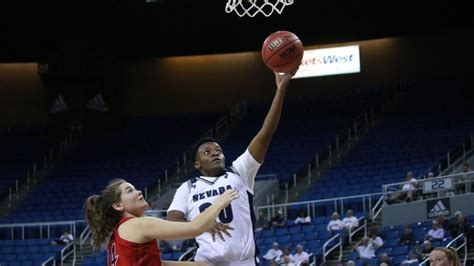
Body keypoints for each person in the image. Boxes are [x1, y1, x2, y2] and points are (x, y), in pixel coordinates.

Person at [166, 70, 297, 265]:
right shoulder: (187, 187)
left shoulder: (239, 172)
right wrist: (200, 226)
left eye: (218, 150)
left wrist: (280, 89)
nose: (215, 153)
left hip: (243, 261)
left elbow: (265, 134)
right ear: (197, 164)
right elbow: (172, 223)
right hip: (206, 262)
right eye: (207, 152)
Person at [84, 178, 238, 265]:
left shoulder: (118, 234)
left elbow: (158, 264)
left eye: (135, 188)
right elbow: (195, 228)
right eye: (129, 191)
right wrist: (220, 201)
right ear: (118, 205)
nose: (139, 192)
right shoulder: (137, 224)